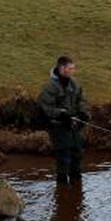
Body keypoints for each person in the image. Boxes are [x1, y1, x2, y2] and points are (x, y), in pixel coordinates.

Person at [38, 56, 90, 184]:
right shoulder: (50, 87)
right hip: (58, 127)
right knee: (63, 159)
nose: (73, 71)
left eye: (73, 68)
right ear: (62, 68)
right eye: (70, 68)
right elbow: (45, 107)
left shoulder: (75, 84)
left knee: (77, 155)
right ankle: (62, 191)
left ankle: (76, 193)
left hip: (75, 127)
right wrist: (62, 115)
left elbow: (82, 101)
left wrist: (82, 114)